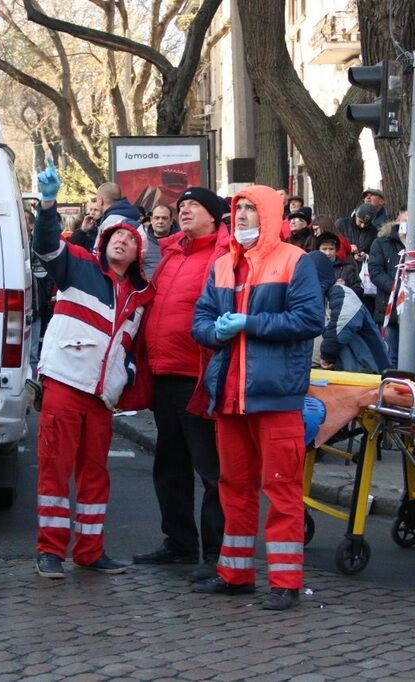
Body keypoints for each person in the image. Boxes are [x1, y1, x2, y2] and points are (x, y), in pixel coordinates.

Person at [190, 185, 323, 611]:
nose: (242, 216)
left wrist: (248, 323)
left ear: (267, 214)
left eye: (250, 209)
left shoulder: (294, 261)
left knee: (281, 489)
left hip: (275, 396)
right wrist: (218, 332)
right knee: (234, 488)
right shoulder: (222, 265)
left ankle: (286, 583)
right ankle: (235, 574)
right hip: (231, 397)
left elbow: (308, 319)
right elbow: (201, 322)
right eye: (238, 209)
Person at [31, 162, 154, 579]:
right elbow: (46, 245)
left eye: (130, 239)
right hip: (65, 384)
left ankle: (90, 551)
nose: (122, 241)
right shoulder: (79, 266)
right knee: (55, 469)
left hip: (102, 398)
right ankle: (50, 551)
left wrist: (129, 376)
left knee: (95, 477)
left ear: (139, 250)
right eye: (116, 235)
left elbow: (132, 347)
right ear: (104, 239)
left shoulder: (138, 296)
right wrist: (48, 204)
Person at [133, 187, 229, 579]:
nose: (184, 211)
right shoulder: (173, 252)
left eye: (193, 206)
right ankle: (180, 543)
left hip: (199, 375)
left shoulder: (223, 256)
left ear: (213, 215)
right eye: (181, 206)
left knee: (210, 469)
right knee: (169, 464)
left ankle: (216, 554)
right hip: (165, 372)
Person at [367, 218, 415, 370]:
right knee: (391, 357)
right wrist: (397, 288)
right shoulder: (382, 242)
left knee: (413, 357)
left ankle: (411, 391)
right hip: (390, 306)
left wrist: (412, 289)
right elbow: (375, 271)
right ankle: (392, 391)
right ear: (398, 220)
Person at [310, 251, 391, 374]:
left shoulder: (341, 292)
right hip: (346, 373)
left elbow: (342, 325)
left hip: (368, 372)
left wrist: (326, 355)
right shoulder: (319, 298)